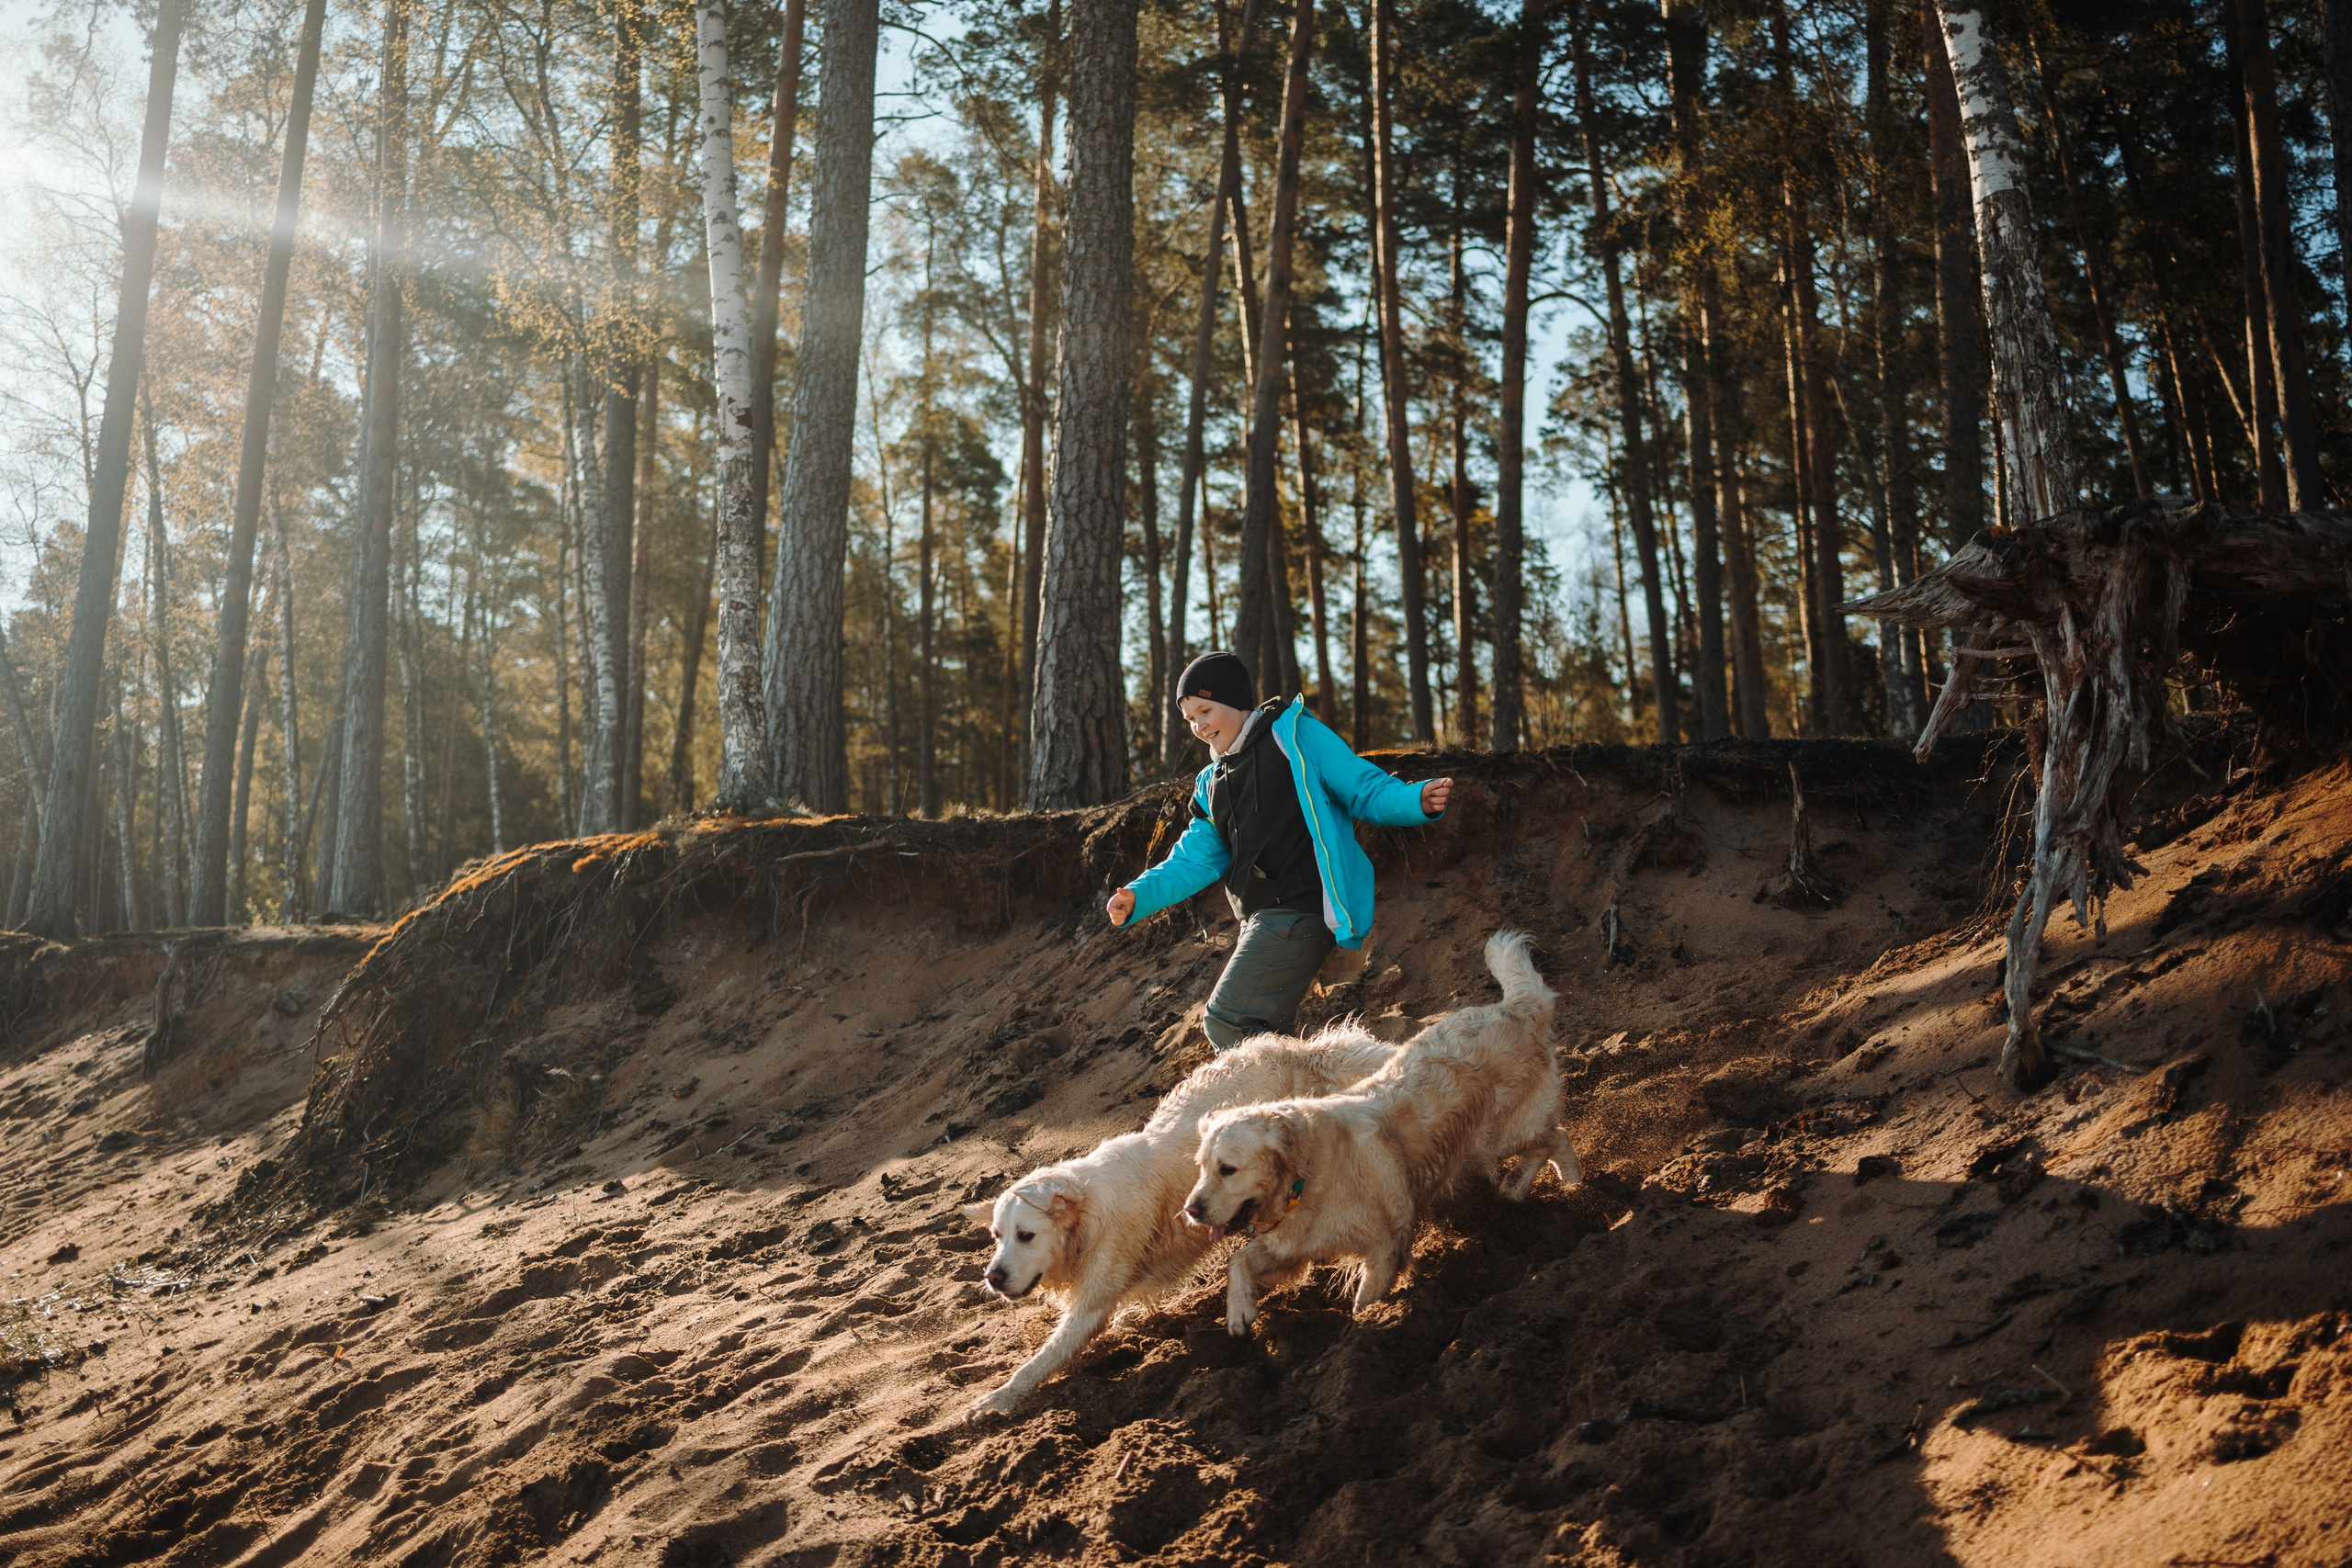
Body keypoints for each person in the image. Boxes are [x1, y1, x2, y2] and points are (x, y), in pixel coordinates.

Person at [1105, 650, 1452, 1049]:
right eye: (1190, 719)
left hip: (1301, 909)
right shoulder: (1211, 781)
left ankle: (1270, 1108)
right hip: (1260, 918)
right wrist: (1139, 895)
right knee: (1264, 1035)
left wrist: (1412, 801)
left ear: (1235, 700)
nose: (1199, 726)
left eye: (1205, 710)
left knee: (1228, 1021)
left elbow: (1361, 785)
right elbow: (1193, 857)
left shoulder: (1294, 736)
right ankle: (1298, 1105)